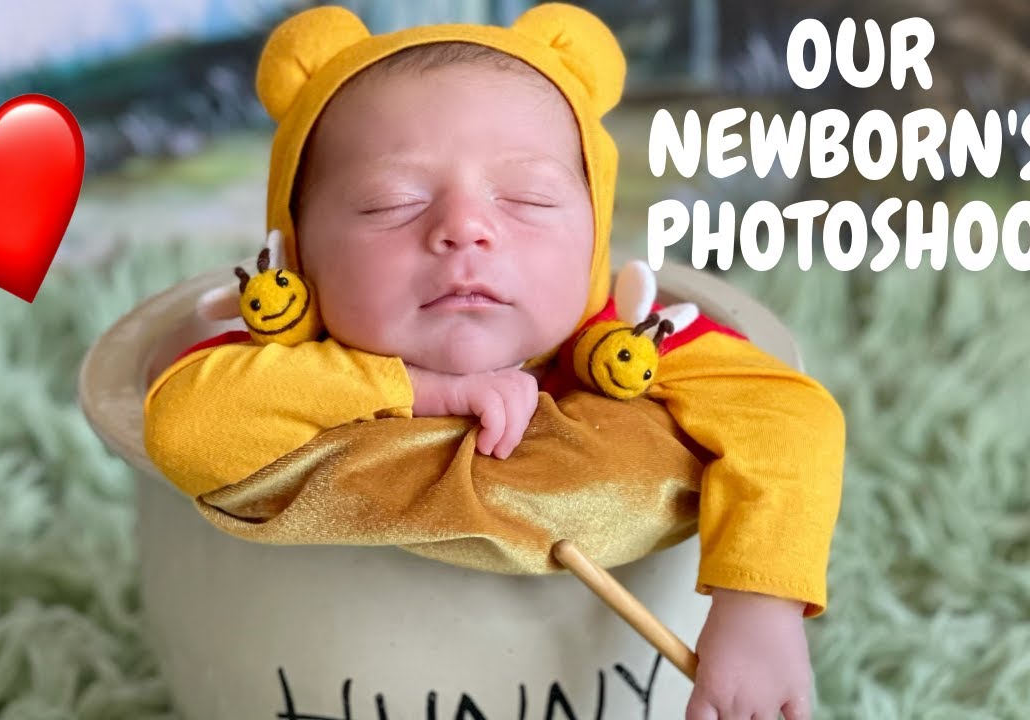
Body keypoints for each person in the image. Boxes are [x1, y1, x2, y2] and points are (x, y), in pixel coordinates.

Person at [143, 5, 845, 719]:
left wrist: (758, 604)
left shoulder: (621, 341)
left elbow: (786, 414)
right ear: (297, 252)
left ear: (594, 239)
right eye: (392, 202)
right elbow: (186, 425)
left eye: (528, 199)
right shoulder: (288, 362)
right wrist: (419, 390)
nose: (464, 229)